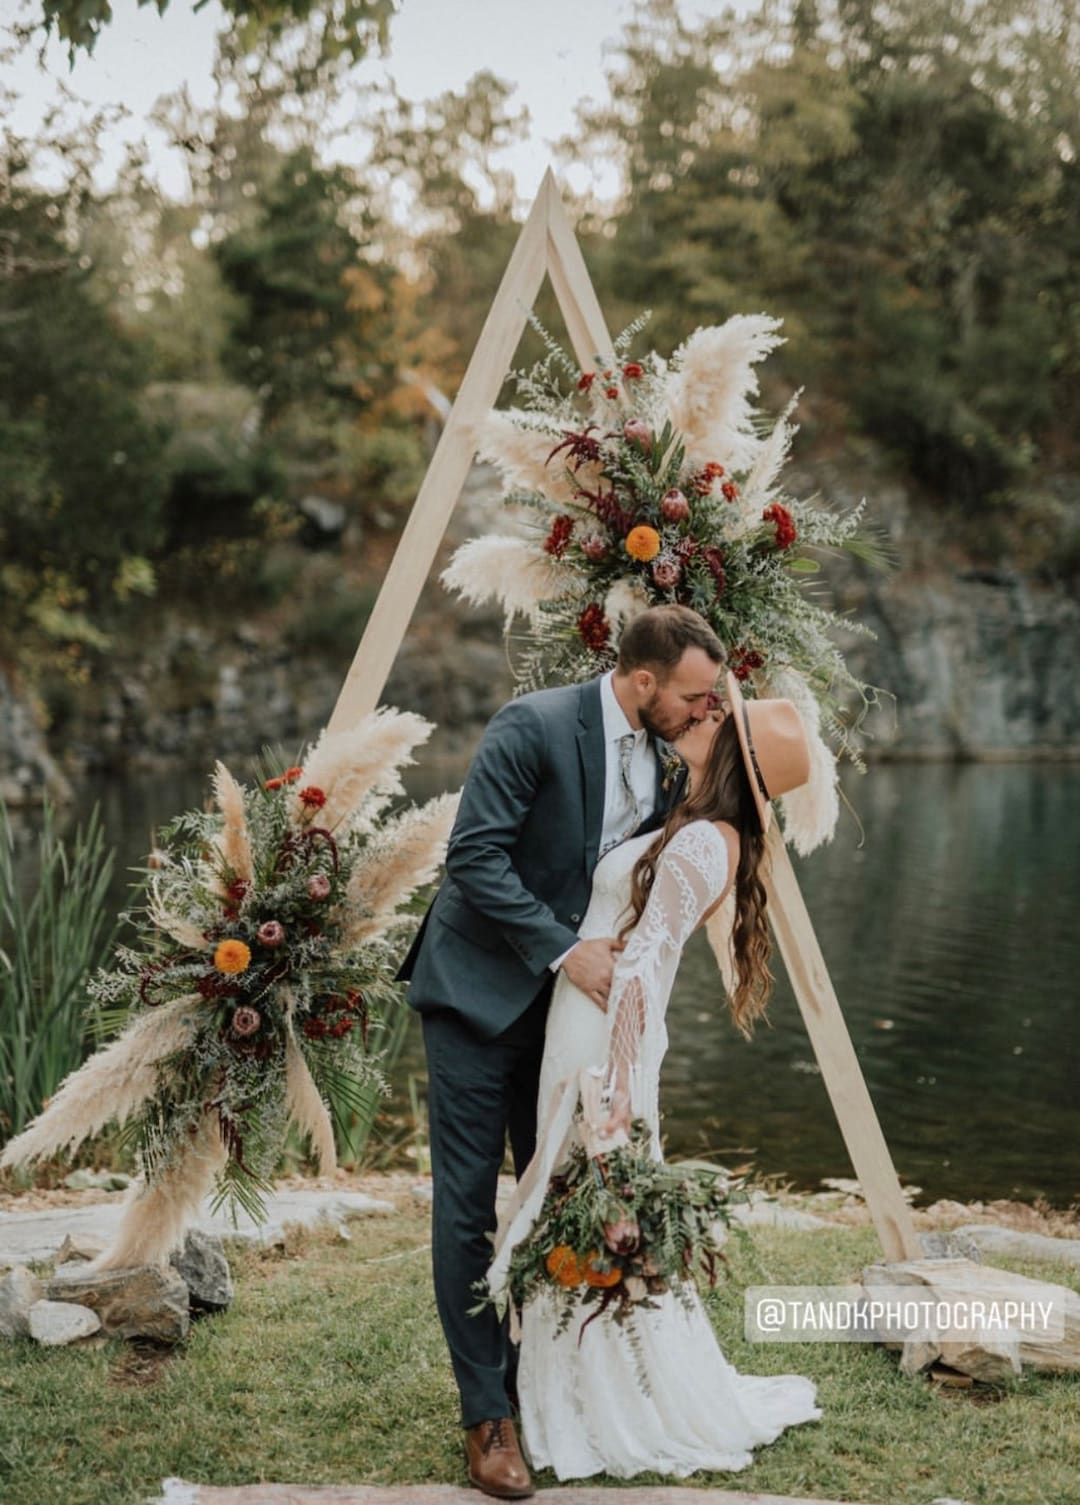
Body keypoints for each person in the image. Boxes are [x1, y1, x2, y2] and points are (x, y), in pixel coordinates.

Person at [397, 604, 724, 1500]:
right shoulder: (533, 725)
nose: (703, 710)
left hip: (562, 1020)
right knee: (468, 1209)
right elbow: (475, 859)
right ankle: (488, 1417)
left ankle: (544, 1386)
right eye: (693, 695)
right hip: (475, 996)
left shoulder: (668, 756)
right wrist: (564, 949)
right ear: (644, 679)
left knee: (553, 1200)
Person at [485, 669, 823, 1484]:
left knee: (594, 1211)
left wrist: (615, 1097)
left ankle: (613, 1404)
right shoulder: (694, 824)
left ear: (732, 752)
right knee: (572, 1213)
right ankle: (574, 1389)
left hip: (604, 1043)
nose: (704, 713)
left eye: (718, 716)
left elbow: (643, 972)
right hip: (588, 1028)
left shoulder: (705, 842)